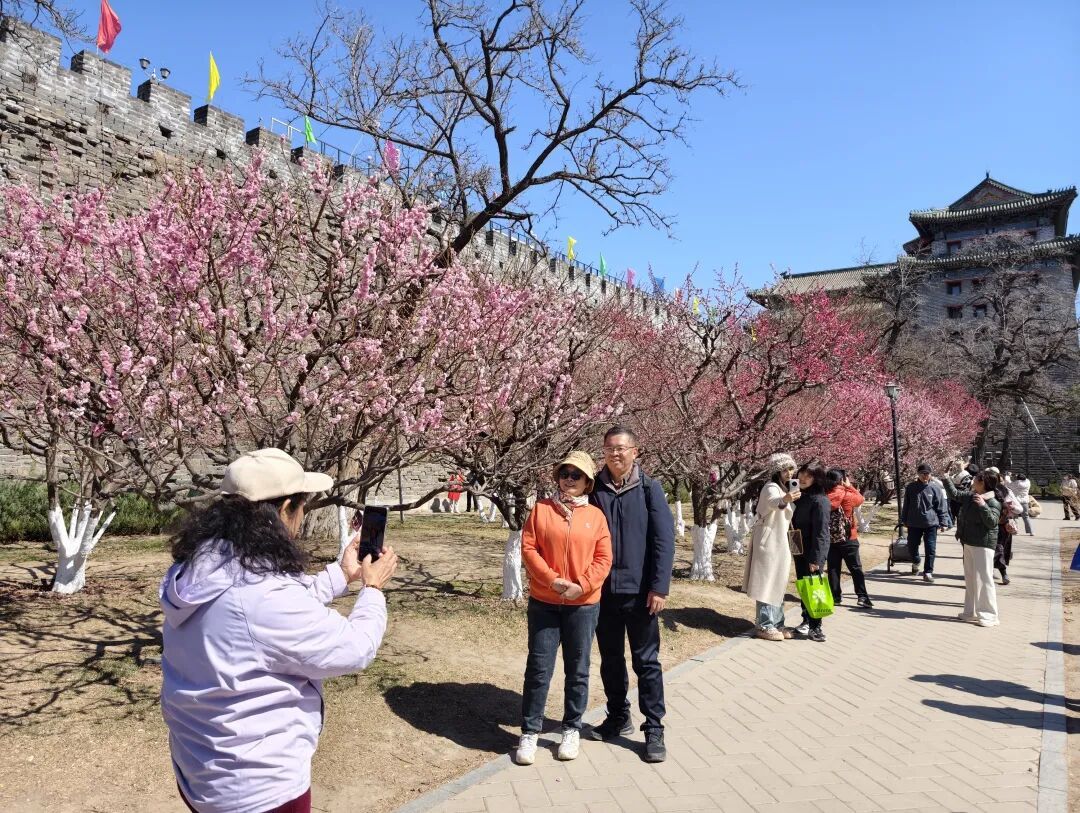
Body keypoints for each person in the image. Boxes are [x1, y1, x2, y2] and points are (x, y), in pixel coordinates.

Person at [160, 448, 398, 813]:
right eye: (302, 506)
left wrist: (342, 574)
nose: (302, 518)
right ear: (286, 508)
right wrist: (372, 588)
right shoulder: (260, 595)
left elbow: (274, 606)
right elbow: (354, 647)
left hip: (203, 766)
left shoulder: (202, 567)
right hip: (257, 786)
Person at [515, 451, 612, 766]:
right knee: (539, 669)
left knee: (578, 669)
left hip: (583, 605)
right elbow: (528, 548)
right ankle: (530, 731)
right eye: (564, 473)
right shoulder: (541, 510)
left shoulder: (596, 517)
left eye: (576, 475)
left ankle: (571, 728)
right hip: (545, 602)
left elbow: (603, 559)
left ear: (587, 483)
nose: (569, 479)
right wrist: (553, 580)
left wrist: (581, 585)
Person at [586, 426, 675, 763]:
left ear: (635, 452)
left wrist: (659, 586)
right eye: (609, 448)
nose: (615, 454)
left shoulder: (650, 488)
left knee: (646, 662)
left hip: (640, 594)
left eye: (622, 448)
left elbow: (663, 541)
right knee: (610, 659)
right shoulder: (593, 489)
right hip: (603, 591)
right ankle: (618, 715)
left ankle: (654, 728)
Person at [743, 453, 799, 641]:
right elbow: (775, 503)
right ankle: (765, 625)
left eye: (791, 468)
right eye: (785, 469)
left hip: (780, 541)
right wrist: (786, 499)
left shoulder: (783, 488)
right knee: (767, 582)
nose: (789, 473)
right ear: (776, 471)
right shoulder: (771, 487)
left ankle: (777, 622)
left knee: (779, 581)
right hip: (768, 542)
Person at [942, 470, 1002, 627]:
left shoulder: (992, 501)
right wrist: (946, 477)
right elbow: (955, 494)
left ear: (983, 483)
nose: (972, 480)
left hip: (983, 543)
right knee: (970, 578)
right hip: (968, 541)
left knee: (985, 579)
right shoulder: (971, 495)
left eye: (975, 479)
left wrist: (983, 506)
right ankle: (971, 612)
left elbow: (992, 522)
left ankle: (989, 615)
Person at [791, 461, 831, 642]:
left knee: (815, 588)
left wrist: (817, 559)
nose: (803, 478)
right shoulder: (799, 496)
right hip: (798, 548)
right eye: (802, 473)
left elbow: (822, 533)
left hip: (812, 552)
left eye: (809, 475)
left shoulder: (820, 501)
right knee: (804, 587)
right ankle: (806, 620)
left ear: (817, 478)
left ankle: (816, 627)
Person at [825, 469, 872, 608]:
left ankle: (835, 597)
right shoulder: (847, 495)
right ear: (841, 480)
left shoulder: (824, 496)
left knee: (833, 568)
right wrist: (849, 486)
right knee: (855, 568)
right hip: (848, 537)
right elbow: (861, 499)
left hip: (830, 538)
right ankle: (862, 597)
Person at [901, 463, 949, 583]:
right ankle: (916, 561)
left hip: (931, 523)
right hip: (913, 523)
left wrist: (943, 522)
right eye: (922, 474)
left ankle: (928, 572)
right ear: (918, 474)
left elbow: (941, 506)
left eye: (927, 474)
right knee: (912, 546)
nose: (925, 476)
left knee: (930, 548)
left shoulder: (935, 488)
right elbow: (906, 505)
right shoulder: (911, 488)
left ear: (930, 475)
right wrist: (904, 520)